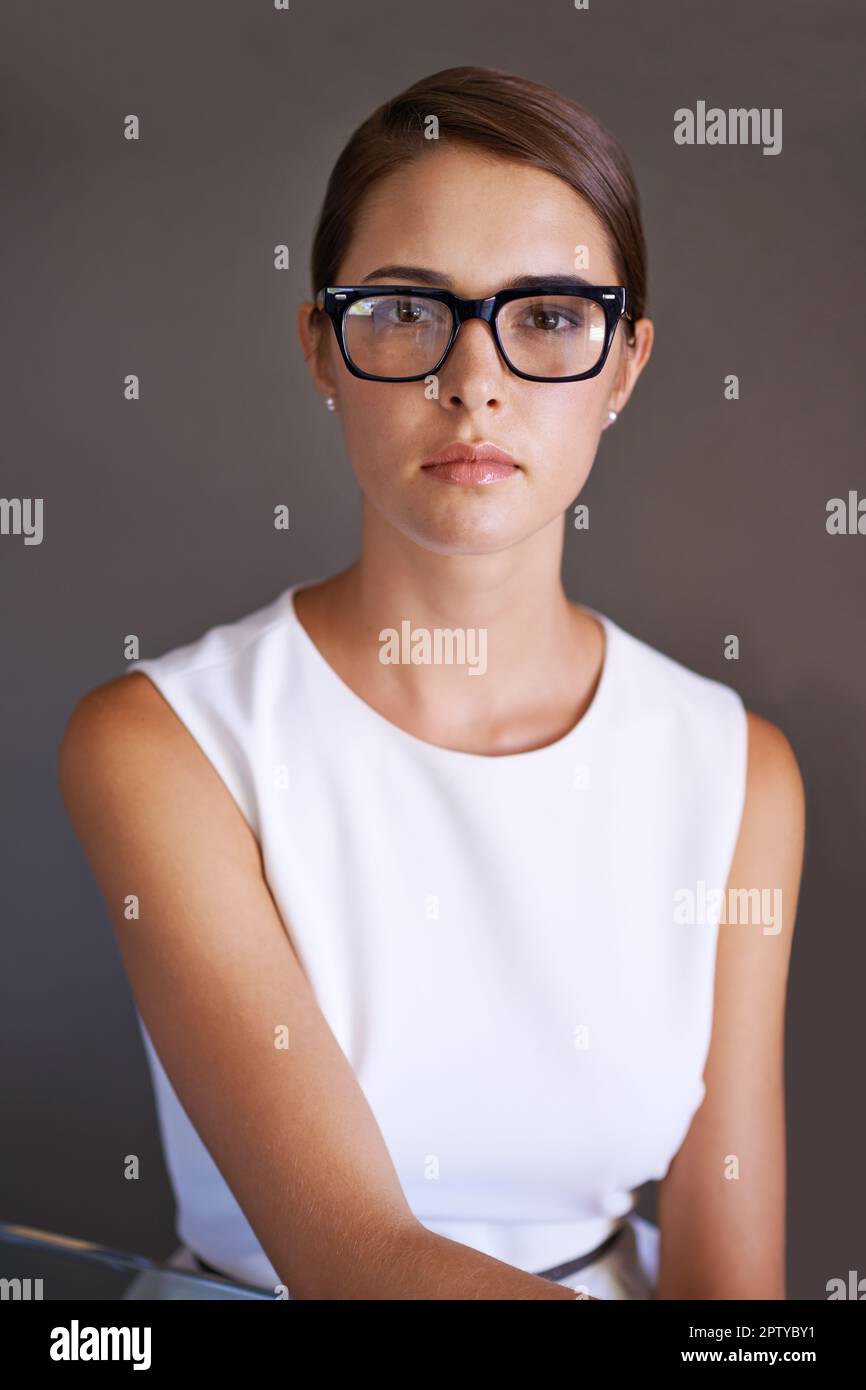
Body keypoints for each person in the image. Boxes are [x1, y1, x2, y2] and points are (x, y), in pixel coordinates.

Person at [59, 65, 805, 1300]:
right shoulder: (163, 745)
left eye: (550, 315)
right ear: (321, 345)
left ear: (623, 366)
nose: (474, 379)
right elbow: (357, 1261)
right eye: (406, 310)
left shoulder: (735, 771)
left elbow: (736, 1293)